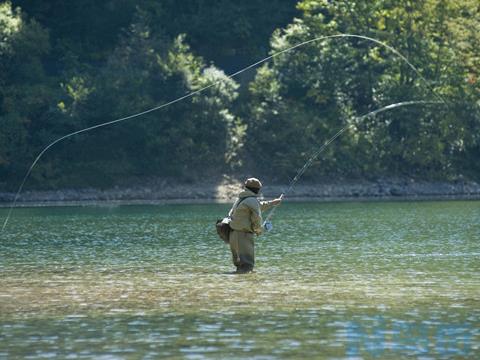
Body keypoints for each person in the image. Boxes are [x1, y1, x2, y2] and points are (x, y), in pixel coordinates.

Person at [228, 177, 282, 273]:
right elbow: (257, 219)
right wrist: (261, 230)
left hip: (233, 235)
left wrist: (273, 202)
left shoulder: (241, 199)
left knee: (240, 267)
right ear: (257, 189)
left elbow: (258, 205)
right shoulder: (251, 200)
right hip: (243, 236)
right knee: (247, 267)